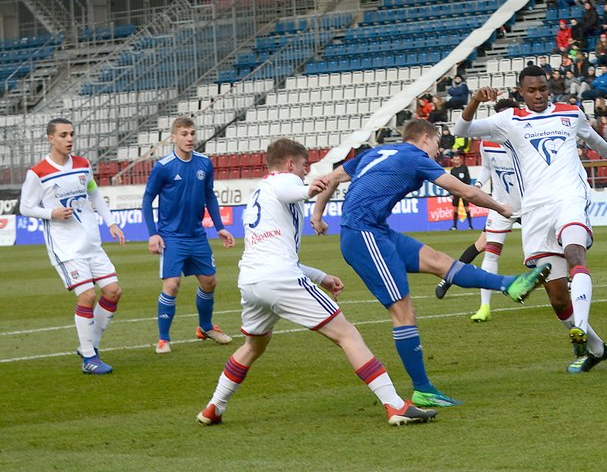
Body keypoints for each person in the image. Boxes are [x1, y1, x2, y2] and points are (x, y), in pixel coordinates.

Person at [196, 138, 436, 427]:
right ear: (290, 164)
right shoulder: (281, 181)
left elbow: (277, 253)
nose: (304, 171)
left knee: (253, 346)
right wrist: (312, 188)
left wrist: (321, 277)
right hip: (281, 279)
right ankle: (395, 405)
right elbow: (293, 188)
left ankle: (214, 407)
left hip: (252, 281)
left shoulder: (258, 195)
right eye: (303, 166)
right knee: (347, 334)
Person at [310, 118, 549, 406]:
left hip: (377, 230)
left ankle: (510, 285)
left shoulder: (376, 152)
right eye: (437, 144)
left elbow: (331, 178)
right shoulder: (414, 157)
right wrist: (501, 208)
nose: (438, 152)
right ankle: (422, 388)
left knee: (439, 261)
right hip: (364, 235)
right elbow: (464, 191)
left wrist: (317, 215)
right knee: (403, 311)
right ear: (424, 137)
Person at [453, 65, 607, 373]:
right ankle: (597, 348)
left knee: (575, 252)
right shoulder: (509, 120)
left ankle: (582, 323)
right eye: (531, 91)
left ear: (549, 89)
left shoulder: (570, 113)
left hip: (569, 197)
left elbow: (595, 142)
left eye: (543, 89)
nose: (538, 95)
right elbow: (461, 132)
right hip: (534, 208)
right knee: (557, 298)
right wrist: (473, 102)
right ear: (521, 93)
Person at [19, 118, 125, 374]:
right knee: (88, 296)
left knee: (113, 292)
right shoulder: (38, 172)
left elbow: (93, 193)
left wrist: (111, 222)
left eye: (71, 134)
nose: (69, 139)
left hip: (92, 242)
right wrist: (51, 213)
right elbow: (25, 207)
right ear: (50, 138)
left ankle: (90, 346)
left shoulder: (82, 165)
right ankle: (89, 357)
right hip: (66, 248)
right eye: (63, 135)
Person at [142, 117, 235, 354]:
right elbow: (147, 199)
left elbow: (209, 196)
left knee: (209, 282)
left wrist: (219, 226)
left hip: (197, 235)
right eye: (184, 134)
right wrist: (153, 234)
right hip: (171, 236)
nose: (190, 138)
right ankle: (163, 338)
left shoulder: (204, 163)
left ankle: (205, 327)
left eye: (192, 133)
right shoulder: (164, 166)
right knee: (172, 285)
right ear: (174, 137)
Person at [434, 99, 522, 323]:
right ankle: (484, 306)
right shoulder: (488, 142)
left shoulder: (524, 139)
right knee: (489, 250)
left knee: (546, 249)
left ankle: (569, 282)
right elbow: (487, 168)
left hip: (529, 205)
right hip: (500, 206)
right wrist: (480, 185)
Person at [447, 152, 473, 230]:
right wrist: (451, 193)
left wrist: (468, 189)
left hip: (464, 190)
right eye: (455, 159)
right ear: (453, 160)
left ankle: (470, 226)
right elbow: (451, 182)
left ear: (460, 160)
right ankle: (454, 226)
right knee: (455, 208)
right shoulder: (453, 170)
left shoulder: (464, 168)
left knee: (466, 208)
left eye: (458, 159)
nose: (456, 161)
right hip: (455, 191)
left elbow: (468, 179)